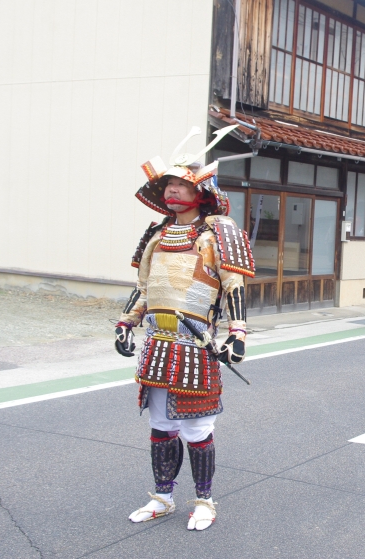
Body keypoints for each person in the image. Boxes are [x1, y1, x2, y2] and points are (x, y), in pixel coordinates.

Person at [115, 126, 254, 531]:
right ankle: (162, 496)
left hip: (196, 346)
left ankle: (204, 500)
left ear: (202, 193)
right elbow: (144, 288)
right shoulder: (157, 235)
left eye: (182, 184)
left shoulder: (217, 234)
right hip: (158, 344)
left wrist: (237, 333)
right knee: (161, 427)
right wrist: (127, 322)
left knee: (196, 429)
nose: (173, 191)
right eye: (169, 185)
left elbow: (233, 286)